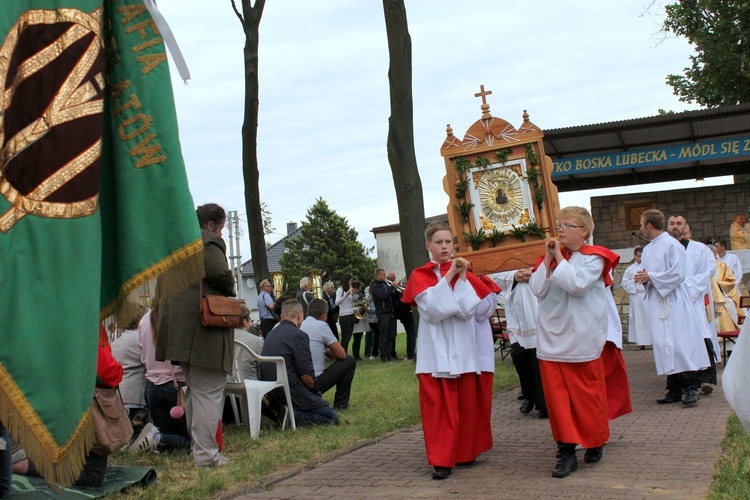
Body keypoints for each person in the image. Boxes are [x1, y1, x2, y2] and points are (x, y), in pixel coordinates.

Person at [529, 206, 618, 478]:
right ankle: (565, 451)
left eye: (568, 225)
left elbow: (576, 285)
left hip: (581, 337)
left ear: (584, 231)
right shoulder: (552, 258)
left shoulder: (596, 258)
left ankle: (594, 439)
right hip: (552, 338)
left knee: (586, 397)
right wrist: (548, 257)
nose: (561, 230)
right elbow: (536, 289)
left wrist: (558, 257)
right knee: (558, 401)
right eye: (559, 224)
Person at [401, 221, 494, 480]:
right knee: (438, 408)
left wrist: (462, 278)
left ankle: (465, 452)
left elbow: (468, 311)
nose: (444, 247)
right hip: (435, 351)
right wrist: (451, 276)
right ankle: (441, 459)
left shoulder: (464, 273)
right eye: (439, 242)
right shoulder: (420, 275)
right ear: (428, 246)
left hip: (463, 348)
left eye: (448, 242)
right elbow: (432, 311)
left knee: (465, 404)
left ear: (454, 244)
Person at [155, 203, 235, 468]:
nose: (222, 234)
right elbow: (220, 274)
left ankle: (199, 450)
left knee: (196, 392)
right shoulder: (208, 242)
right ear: (211, 225)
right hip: (203, 330)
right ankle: (206, 455)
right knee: (209, 392)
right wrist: (230, 284)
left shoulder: (176, 246)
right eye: (221, 228)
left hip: (182, 331)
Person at [635, 209, 710, 407]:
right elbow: (647, 272)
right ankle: (674, 389)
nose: (641, 229)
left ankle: (692, 388)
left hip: (675, 300)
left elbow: (678, 273)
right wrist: (643, 279)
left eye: (642, 225)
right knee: (664, 345)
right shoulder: (649, 248)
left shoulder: (672, 245)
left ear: (649, 225)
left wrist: (651, 277)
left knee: (679, 345)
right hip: (659, 300)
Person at [261, 299, 339, 427]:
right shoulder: (299, 335)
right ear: (299, 315)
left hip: (272, 391)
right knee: (331, 417)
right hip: (290, 390)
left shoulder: (270, 334)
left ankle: (288, 414)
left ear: (281, 316)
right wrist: (316, 394)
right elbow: (307, 377)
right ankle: (292, 418)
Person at [132, 303, 192, 453]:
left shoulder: (145, 319)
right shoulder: (177, 317)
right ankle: (156, 439)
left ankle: (156, 438)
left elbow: (141, 349)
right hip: (176, 386)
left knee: (169, 445)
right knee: (191, 441)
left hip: (152, 387)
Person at [74, 325, 125, 487]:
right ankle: (21, 465)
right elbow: (108, 372)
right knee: (92, 476)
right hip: (85, 402)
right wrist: (118, 369)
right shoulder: (89, 322)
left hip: (57, 399)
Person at [492, 268, 547, 417]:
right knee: (519, 357)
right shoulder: (504, 259)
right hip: (517, 316)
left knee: (539, 361)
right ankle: (529, 396)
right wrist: (514, 276)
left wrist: (534, 275)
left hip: (538, 312)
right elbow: (496, 277)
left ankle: (544, 404)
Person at [300, 298, 356, 410]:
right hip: (313, 381)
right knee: (348, 361)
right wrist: (331, 353)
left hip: (298, 381)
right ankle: (341, 404)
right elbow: (341, 355)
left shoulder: (299, 325)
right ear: (324, 316)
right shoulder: (321, 326)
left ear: (307, 312)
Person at [111, 309, 149, 440]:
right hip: (135, 392)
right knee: (135, 433)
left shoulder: (119, 339)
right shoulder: (139, 339)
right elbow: (150, 360)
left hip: (120, 391)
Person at [708, 244, 745, 333]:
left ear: (714, 253)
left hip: (721, 297)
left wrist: (718, 285)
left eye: (711, 252)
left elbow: (730, 280)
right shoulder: (701, 267)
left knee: (725, 317)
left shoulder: (722, 266)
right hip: (707, 300)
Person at [621, 246, 651, 350]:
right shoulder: (630, 269)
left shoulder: (649, 267)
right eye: (639, 256)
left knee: (652, 319)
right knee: (639, 320)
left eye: (642, 256)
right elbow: (624, 283)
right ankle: (640, 343)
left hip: (649, 295)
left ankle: (655, 341)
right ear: (634, 256)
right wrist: (633, 281)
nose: (641, 258)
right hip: (637, 296)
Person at [370, 269, 398, 363]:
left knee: (391, 335)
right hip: (382, 313)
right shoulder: (375, 286)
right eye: (383, 275)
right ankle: (383, 356)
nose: (385, 276)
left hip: (390, 312)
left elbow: (390, 296)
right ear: (377, 275)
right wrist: (391, 288)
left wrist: (395, 290)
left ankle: (389, 354)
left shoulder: (385, 284)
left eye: (385, 274)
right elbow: (383, 296)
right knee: (384, 335)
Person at [234, 304, 265, 380]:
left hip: (228, 385)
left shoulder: (226, 340)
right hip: (251, 385)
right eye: (250, 319)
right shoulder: (257, 341)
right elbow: (263, 368)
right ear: (245, 322)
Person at [391, 273, 417, 360]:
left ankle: (412, 352)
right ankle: (410, 353)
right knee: (411, 334)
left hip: (410, 314)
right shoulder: (398, 291)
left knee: (413, 334)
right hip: (405, 315)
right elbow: (402, 300)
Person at [335, 273, 359, 355]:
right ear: (346, 280)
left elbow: (355, 299)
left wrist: (352, 293)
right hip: (344, 316)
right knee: (345, 338)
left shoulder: (349, 289)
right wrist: (346, 295)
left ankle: (344, 354)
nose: (351, 282)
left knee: (348, 337)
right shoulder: (340, 290)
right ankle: (342, 354)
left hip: (351, 314)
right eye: (350, 280)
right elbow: (337, 302)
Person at [364, 286, 380, 360]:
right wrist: (377, 309)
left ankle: (376, 352)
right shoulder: (368, 296)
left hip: (376, 318)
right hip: (372, 319)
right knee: (376, 335)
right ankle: (374, 353)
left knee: (377, 335)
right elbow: (367, 308)